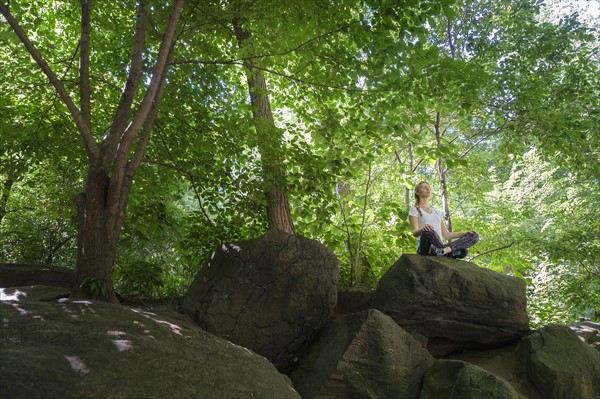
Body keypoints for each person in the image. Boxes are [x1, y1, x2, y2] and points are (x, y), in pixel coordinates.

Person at [408, 181, 479, 258]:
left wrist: (465, 233)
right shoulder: (414, 209)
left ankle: (444, 251)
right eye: (424, 187)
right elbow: (415, 232)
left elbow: (446, 235)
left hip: (438, 247)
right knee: (429, 232)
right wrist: (423, 229)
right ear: (417, 192)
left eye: (429, 187)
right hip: (425, 247)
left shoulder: (437, 213)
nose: (428, 189)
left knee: (472, 238)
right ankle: (444, 251)